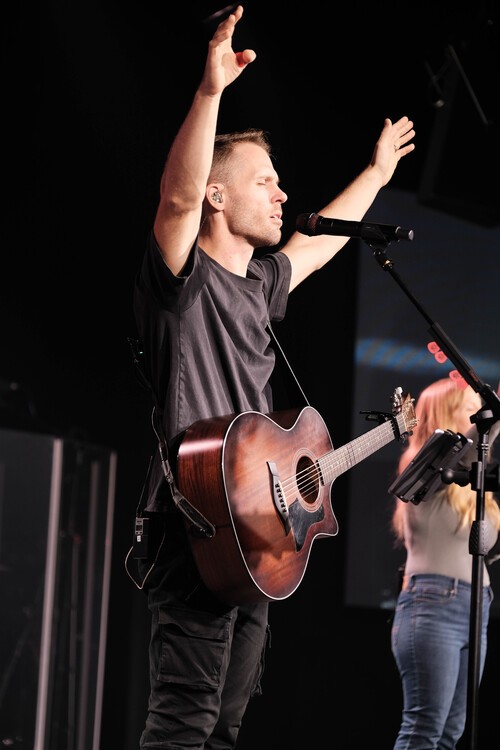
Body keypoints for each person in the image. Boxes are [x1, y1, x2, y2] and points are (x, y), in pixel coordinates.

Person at [132, 5, 415, 748]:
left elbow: (317, 247)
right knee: (184, 721)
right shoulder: (182, 280)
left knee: (224, 726)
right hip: (198, 526)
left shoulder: (260, 285)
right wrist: (210, 91)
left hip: (259, 536)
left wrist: (377, 175)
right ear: (219, 197)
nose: (282, 194)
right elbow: (177, 200)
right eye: (266, 181)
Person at [390, 377, 500, 750]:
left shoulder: (470, 486)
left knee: (449, 734)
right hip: (434, 606)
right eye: (471, 409)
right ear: (447, 413)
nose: (478, 415)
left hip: (476, 608)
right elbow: (470, 444)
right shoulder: (423, 470)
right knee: (425, 729)